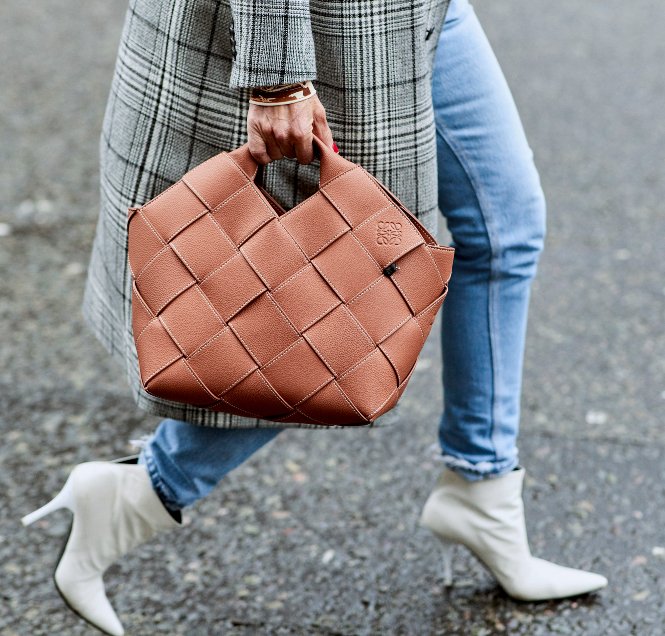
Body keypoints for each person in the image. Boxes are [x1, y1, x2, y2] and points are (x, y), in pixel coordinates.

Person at [21, 0, 608, 633]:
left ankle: (482, 489)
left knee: (505, 228)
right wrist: (277, 75)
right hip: (319, 24)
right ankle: (141, 491)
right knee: (318, 314)